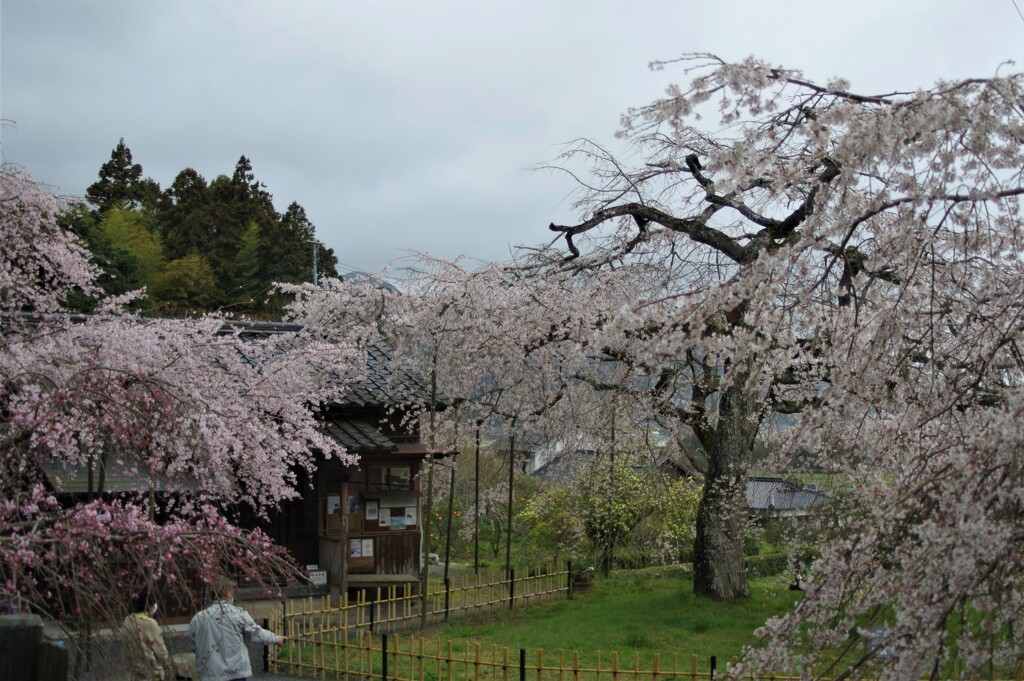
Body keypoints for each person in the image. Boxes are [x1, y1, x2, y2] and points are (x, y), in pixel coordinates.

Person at [189, 578, 285, 681]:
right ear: (228, 593)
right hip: (235, 671)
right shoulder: (237, 613)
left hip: (210, 673)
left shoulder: (198, 618)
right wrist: (276, 638)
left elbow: (194, 645)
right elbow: (256, 633)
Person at [121, 587, 173, 681]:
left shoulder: (127, 620)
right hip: (150, 673)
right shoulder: (149, 623)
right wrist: (168, 667)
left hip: (133, 673)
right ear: (149, 605)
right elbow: (162, 653)